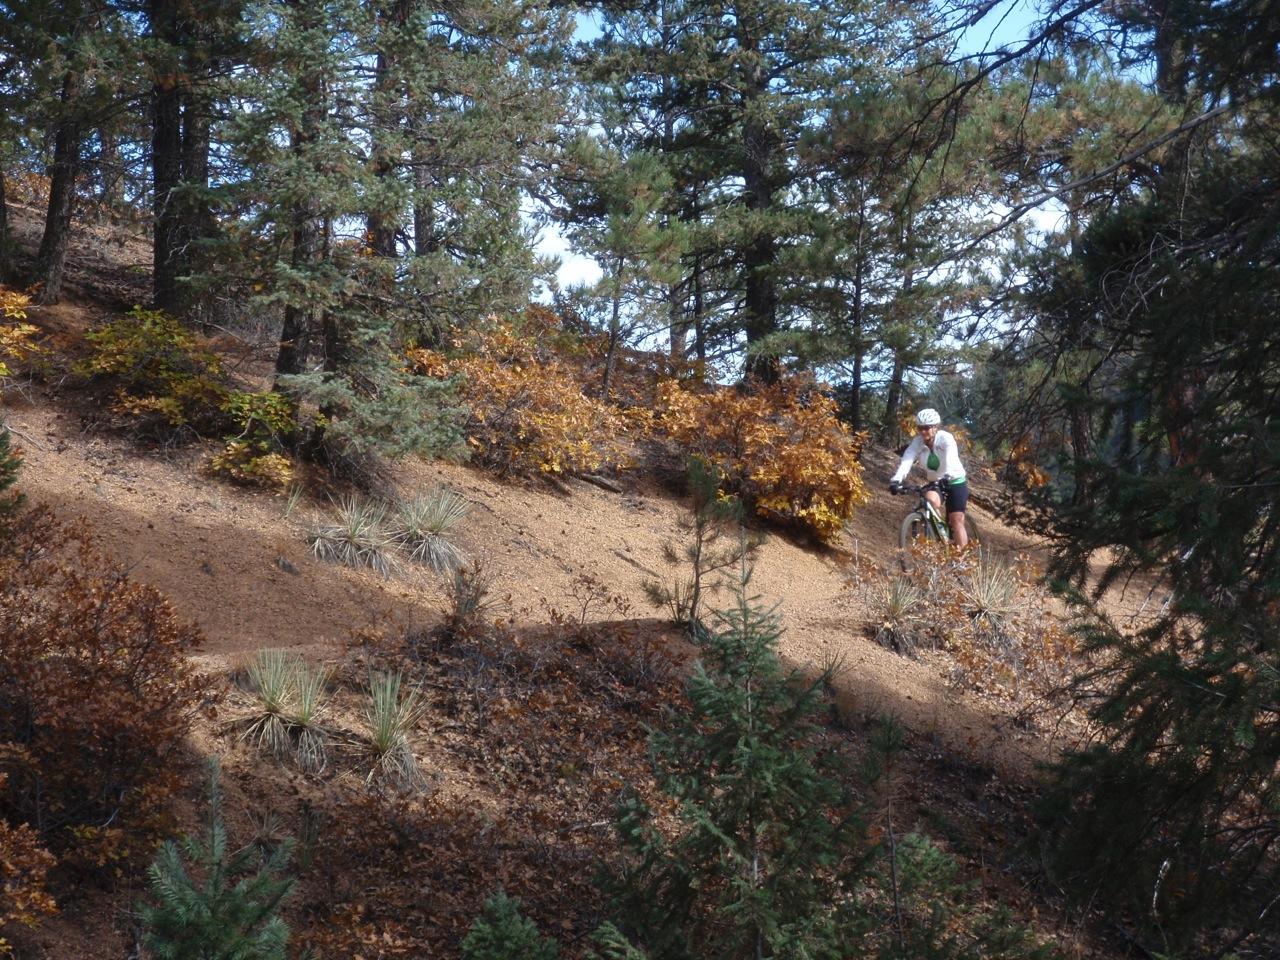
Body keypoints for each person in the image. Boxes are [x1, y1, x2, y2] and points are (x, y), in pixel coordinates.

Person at [888, 408, 970, 547]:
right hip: (937, 481)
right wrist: (896, 479)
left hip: (955, 480)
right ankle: (942, 534)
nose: (923, 432)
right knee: (930, 500)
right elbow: (907, 459)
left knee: (956, 520)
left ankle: (963, 562)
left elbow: (951, 457)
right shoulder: (918, 442)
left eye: (926, 428)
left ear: (935, 427)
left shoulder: (945, 438)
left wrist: (947, 475)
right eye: (920, 428)